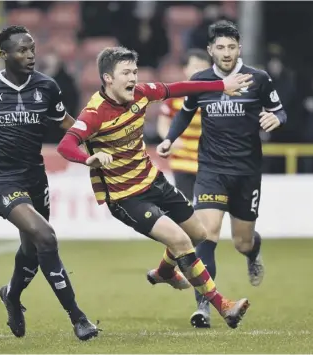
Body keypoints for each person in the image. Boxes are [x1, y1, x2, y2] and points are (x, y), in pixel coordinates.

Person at [57, 46, 253, 329]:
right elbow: (66, 144)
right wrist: (89, 158)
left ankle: (163, 272)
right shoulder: (94, 112)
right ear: (107, 78)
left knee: (199, 234)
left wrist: (222, 84)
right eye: (126, 73)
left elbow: (178, 88)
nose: (133, 78)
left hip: (152, 180)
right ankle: (224, 306)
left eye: (135, 72)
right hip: (126, 198)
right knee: (181, 241)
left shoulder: (141, 93)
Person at [0, 26, 98, 341]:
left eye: (32, 50)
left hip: (34, 176)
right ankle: (78, 317)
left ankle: (11, 295)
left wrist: (92, 137)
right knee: (46, 237)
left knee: (32, 249)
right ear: (4, 55)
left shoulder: (47, 87)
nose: (29, 56)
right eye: (22, 51)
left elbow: (66, 122)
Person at [159, 20, 287, 328]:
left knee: (241, 241)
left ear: (239, 48)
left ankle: (252, 253)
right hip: (211, 170)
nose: (226, 53)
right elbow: (186, 111)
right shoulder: (201, 80)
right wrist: (168, 139)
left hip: (246, 172)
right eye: (220, 47)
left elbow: (280, 110)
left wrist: (276, 119)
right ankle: (204, 305)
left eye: (231, 47)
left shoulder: (258, 79)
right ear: (210, 50)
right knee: (207, 234)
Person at [157, 48, 211, 200]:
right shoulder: (175, 94)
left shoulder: (216, 96)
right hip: (183, 160)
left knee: (207, 208)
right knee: (186, 206)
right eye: (195, 66)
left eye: (204, 67)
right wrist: (170, 139)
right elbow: (163, 124)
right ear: (185, 69)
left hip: (209, 161)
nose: (200, 71)